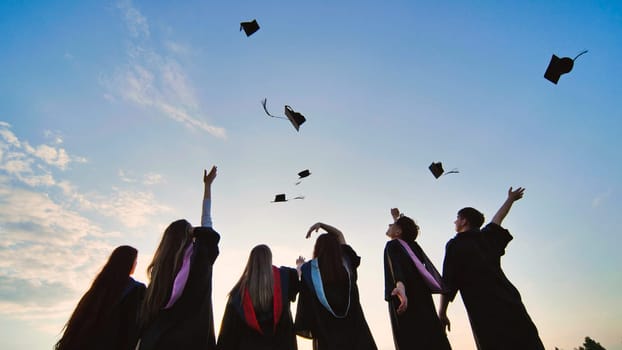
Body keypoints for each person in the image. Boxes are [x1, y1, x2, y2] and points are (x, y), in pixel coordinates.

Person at [438, 187, 545, 350]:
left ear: (464, 221)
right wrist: (510, 199)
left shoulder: (455, 245)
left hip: (485, 311)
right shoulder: (486, 237)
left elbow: (448, 282)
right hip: (510, 301)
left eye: (457, 218)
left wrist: (442, 312)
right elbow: (498, 218)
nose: (455, 221)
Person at [139, 166, 220, 350]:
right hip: (192, 341)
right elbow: (207, 224)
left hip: (156, 342)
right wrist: (208, 187)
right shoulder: (200, 260)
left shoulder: (159, 272)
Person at [295, 222, 377, 350]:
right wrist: (321, 225)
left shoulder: (309, 271)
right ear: (337, 248)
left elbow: (303, 281)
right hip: (357, 335)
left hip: (327, 338)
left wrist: (300, 265)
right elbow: (339, 234)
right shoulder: (347, 263)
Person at [384, 208, 452, 350]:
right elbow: (403, 239)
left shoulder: (392, 245)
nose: (389, 226)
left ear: (398, 232)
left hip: (403, 300)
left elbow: (396, 267)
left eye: (392, 225)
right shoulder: (414, 247)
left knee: (411, 341)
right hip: (422, 299)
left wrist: (401, 288)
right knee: (431, 338)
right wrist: (396, 219)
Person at [55, 245, 146, 350]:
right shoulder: (135, 290)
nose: (136, 264)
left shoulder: (97, 291)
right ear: (129, 263)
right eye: (135, 261)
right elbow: (130, 329)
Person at [217, 245, 302, 350]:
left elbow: (227, 337)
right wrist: (300, 265)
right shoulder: (284, 280)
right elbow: (297, 278)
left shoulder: (238, 295)